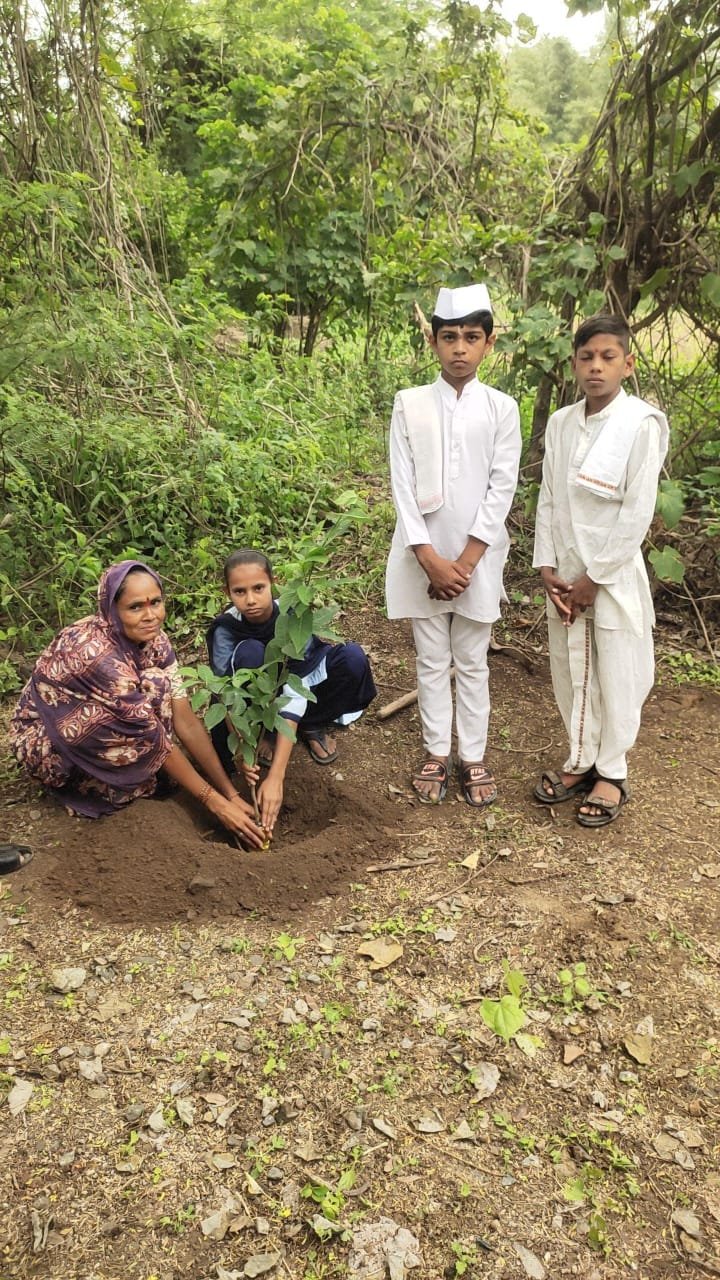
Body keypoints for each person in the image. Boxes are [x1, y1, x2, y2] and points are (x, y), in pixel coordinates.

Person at [10, 560, 266, 847]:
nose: (150, 615)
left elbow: (185, 718)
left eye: (155, 603)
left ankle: (131, 773)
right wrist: (216, 805)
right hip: (48, 742)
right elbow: (153, 738)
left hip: (103, 725)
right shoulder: (99, 657)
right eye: (135, 607)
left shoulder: (156, 640)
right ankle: (93, 784)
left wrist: (230, 793)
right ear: (112, 610)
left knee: (159, 685)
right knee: (153, 688)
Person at [385, 283, 522, 807]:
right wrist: (428, 558)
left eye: (471, 337)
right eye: (449, 337)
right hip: (421, 555)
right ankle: (437, 752)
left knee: (472, 659)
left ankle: (475, 757)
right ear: (433, 342)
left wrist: (465, 560)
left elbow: (501, 485)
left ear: (489, 344)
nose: (460, 348)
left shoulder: (502, 408)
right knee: (429, 657)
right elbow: (401, 481)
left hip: (478, 558)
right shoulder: (410, 404)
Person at [533, 313, 669, 827]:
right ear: (574, 364)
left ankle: (612, 770)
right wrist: (546, 564)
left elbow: (637, 511)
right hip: (565, 571)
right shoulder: (564, 422)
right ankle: (581, 759)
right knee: (569, 667)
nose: (596, 367)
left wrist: (596, 578)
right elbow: (549, 496)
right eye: (587, 357)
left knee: (616, 668)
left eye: (608, 357)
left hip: (609, 575)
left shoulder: (641, 424)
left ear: (627, 364)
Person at [207, 549, 377, 834]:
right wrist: (243, 748)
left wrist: (276, 777)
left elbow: (296, 687)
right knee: (251, 652)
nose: (250, 599)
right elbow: (226, 692)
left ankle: (308, 725)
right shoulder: (225, 628)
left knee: (352, 659)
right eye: (239, 591)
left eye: (259, 588)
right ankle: (264, 733)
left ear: (274, 582)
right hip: (249, 708)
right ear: (227, 592)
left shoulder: (290, 614)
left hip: (296, 690)